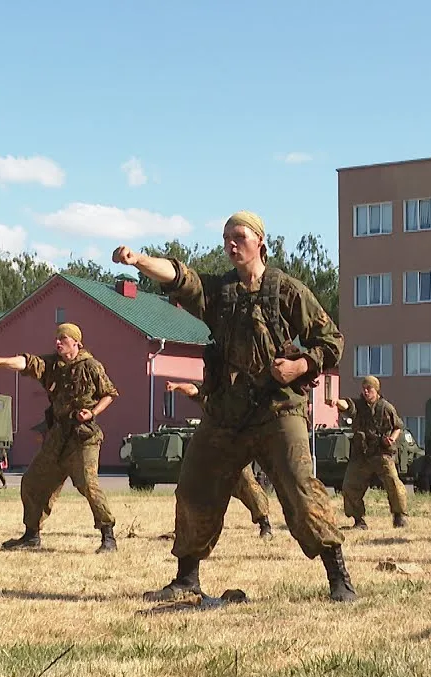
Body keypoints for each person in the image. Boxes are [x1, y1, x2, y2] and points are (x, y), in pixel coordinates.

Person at [113, 209, 357, 602]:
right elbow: (181, 277)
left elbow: (332, 342)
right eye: (226, 237)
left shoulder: (287, 291)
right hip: (226, 413)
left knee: (299, 489)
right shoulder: (219, 291)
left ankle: (339, 578)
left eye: (239, 236)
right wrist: (139, 260)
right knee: (194, 488)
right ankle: (186, 579)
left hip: (278, 409)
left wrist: (299, 365)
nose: (231, 244)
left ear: (260, 242)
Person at [0, 323, 120, 553]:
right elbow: (27, 362)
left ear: (76, 342)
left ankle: (108, 537)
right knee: (32, 482)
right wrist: (1, 361)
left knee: (88, 484)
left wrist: (93, 412)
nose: (58, 342)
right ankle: (31, 536)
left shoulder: (91, 366)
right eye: (57, 338)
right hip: (57, 438)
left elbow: (109, 393)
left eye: (63, 339)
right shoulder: (52, 365)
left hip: (83, 437)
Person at [166, 380, 274, 539]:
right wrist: (176, 386)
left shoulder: (241, 397)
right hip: (211, 452)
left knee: (248, 485)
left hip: (235, 451)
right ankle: (183, 530)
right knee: (189, 488)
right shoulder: (211, 394)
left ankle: (265, 524)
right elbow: (193, 389)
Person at [326, 376, 410, 530]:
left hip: (381, 453)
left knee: (393, 483)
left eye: (369, 389)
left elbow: (398, 426)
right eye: (363, 388)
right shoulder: (359, 405)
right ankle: (358, 520)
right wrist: (336, 402)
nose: (365, 392)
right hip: (361, 454)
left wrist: (391, 439)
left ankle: (399, 516)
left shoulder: (386, 407)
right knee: (350, 486)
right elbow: (347, 405)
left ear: (376, 390)